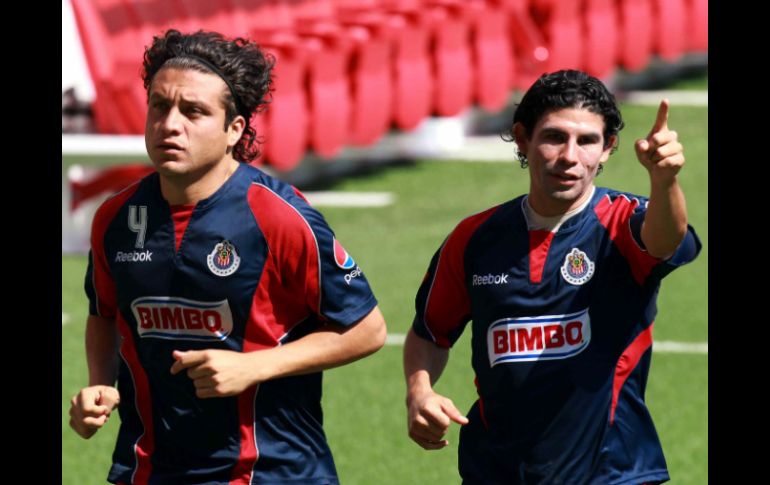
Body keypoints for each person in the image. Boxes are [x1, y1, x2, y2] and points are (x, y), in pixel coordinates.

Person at [68, 29, 387, 485]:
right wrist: (100, 383)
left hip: (269, 472)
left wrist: (254, 366)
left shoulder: (277, 215)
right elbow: (104, 314)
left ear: (233, 129)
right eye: (159, 105)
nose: (170, 124)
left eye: (193, 111)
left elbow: (367, 328)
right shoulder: (115, 217)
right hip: (149, 470)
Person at [403, 69, 701, 484]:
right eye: (555, 137)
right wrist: (419, 391)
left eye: (587, 141)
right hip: (496, 471)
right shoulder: (474, 238)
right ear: (522, 138)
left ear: (608, 148)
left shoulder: (623, 222)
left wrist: (664, 181)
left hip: (610, 472)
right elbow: (429, 333)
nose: (569, 156)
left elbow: (665, 240)